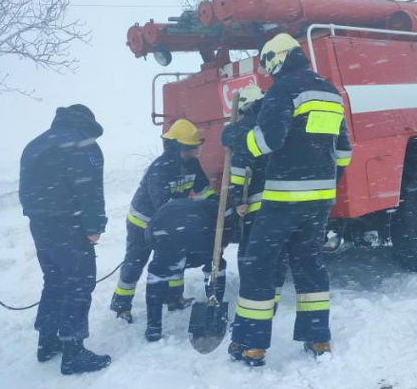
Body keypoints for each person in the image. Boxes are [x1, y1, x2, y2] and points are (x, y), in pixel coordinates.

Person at [221, 33, 352, 367]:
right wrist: (322, 183)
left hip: (283, 199)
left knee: (258, 265)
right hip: (319, 201)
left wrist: (237, 137)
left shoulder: (284, 89)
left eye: (266, 62)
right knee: (309, 264)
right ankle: (318, 338)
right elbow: (343, 153)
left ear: (277, 57)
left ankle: (251, 345)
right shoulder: (331, 92)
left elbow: (267, 141)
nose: (267, 71)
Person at [19, 104, 111, 375]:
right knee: (78, 284)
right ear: (86, 125)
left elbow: (25, 190)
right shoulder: (84, 145)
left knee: (55, 280)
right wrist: (94, 226)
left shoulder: (35, 145)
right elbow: (90, 189)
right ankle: (73, 353)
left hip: (40, 225)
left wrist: (39, 217)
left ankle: (47, 341)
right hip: (69, 225)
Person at [110, 119, 215, 323]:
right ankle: (121, 305)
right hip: (143, 223)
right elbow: (162, 204)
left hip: (172, 222)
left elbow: (203, 190)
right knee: (135, 262)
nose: (196, 152)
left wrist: (213, 204)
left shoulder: (192, 164)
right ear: (179, 147)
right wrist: (188, 216)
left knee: (175, 259)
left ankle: (174, 299)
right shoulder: (160, 168)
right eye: (192, 148)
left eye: (197, 148)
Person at [224, 84, 288, 319]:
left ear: (244, 107)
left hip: (258, 203)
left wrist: (237, 198)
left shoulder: (244, 129)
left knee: (250, 254)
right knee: (278, 252)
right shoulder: (274, 121)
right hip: (285, 199)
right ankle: (274, 299)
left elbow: (239, 167)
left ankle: (251, 306)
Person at [142, 196, 229, 342]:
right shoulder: (218, 209)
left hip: (160, 229)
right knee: (215, 263)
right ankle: (214, 310)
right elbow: (222, 239)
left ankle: (153, 328)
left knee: (157, 274)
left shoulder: (176, 206)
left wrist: (167, 258)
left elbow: (150, 240)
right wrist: (215, 253)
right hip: (195, 229)